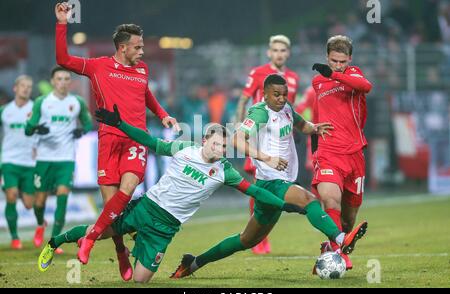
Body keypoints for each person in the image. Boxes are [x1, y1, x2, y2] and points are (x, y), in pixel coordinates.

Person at [38, 107, 304, 283]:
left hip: (167, 227)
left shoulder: (225, 172)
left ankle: (138, 244)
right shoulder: (183, 148)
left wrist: (285, 206)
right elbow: (149, 142)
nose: (221, 149)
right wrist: (120, 124)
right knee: (101, 230)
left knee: (140, 279)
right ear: (204, 140)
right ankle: (54, 242)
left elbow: (256, 191)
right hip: (146, 207)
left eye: (224, 146)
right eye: (216, 143)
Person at [170, 74, 368, 279]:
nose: (281, 98)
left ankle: (193, 263)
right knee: (309, 200)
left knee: (246, 240)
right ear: (264, 95)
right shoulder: (260, 113)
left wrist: (314, 128)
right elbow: (237, 140)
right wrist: (266, 158)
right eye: (276, 95)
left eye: (284, 94)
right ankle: (340, 238)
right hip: (271, 181)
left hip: (276, 185)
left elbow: (301, 124)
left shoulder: (286, 108)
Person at [54, 2, 179, 280]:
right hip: (109, 140)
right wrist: (62, 24)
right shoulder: (98, 67)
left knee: (129, 187)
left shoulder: (142, 70)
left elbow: (145, 95)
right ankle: (121, 251)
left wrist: (163, 115)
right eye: (138, 47)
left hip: (136, 140)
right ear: (123, 47)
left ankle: (90, 238)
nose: (142, 51)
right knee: (114, 209)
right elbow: (63, 59)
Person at [311, 35, 372, 272]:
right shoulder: (317, 83)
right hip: (328, 152)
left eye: (342, 61)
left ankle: (335, 245)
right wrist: (313, 144)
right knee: (330, 200)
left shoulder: (354, 74)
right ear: (327, 57)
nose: (338, 65)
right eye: (334, 61)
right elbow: (319, 115)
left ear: (349, 59)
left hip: (355, 154)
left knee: (348, 220)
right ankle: (338, 251)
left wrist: (335, 74)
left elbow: (366, 87)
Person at [235, 35, 300, 254]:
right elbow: (244, 98)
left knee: (273, 182)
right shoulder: (258, 73)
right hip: (258, 136)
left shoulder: (292, 78)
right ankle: (257, 237)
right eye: (275, 50)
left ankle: (262, 235)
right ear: (269, 52)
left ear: (288, 53)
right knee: (258, 183)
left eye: (283, 50)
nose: (279, 54)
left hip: (279, 138)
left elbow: (291, 108)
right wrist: (239, 123)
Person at [25, 67, 92, 255]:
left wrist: (82, 131)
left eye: (66, 79)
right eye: (59, 79)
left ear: (69, 82)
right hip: (44, 159)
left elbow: (87, 123)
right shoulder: (42, 102)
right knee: (39, 203)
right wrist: (37, 128)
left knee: (63, 195)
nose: (63, 82)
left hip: (66, 158)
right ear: (53, 81)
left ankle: (53, 241)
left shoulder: (76, 102)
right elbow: (28, 130)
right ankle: (41, 223)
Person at [0, 75, 36, 249]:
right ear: (15, 88)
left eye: (29, 86)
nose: (26, 89)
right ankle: (15, 238)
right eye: (23, 86)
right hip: (9, 161)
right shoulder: (4, 110)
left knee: (29, 204)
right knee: (11, 196)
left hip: (30, 163)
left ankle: (20, 190)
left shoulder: (36, 109)